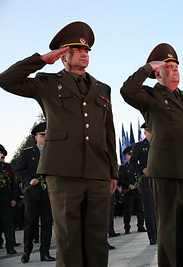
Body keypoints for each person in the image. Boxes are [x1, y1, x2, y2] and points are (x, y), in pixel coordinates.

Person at [0, 21, 118, 267]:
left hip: (98, 170)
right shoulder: (47, 82)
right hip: (63, 171)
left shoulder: (102, 88)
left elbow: (108, 133)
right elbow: (6, 80)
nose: (84, 53)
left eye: (86, 50)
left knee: (97, 238)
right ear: (64, 55)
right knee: (69, 238)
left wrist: (113, 171)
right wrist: (42, 59)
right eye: (77, 50)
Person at [120, 43, 183, 267]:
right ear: (156, 73)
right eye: (167, 66)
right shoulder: (150, 96)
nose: (174, 68)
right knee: (169, 231)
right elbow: (127, 91)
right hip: (166, 172)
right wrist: (147, 67)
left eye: (176, 65)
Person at [14, 122, 55, 263]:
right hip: (32, 193)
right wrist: (28, 180)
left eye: (46, 135)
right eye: (42, 136)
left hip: (48, 193)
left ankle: (45, 252)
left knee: (46, 224)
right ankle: (27, 251)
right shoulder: (27, 152)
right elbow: (18, 170)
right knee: (30, 222)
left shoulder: (52, 152)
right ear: (36, 137)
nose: (44, 138)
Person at [131, 123, 157, 245]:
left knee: (160, 209)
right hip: (146, 182)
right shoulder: (139, 146)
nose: (150, 133)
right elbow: (133, 162)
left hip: (159, 181)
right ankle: (152, 235)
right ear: (145, 132)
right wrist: (142, 169)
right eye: (148, 131)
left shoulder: (159, 144)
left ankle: (160, 233)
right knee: (149, 209)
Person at [118, 146, 146, 234]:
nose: (131, 156)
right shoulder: (123, 167)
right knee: (128, 210)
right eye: (129, 154)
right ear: (126, 156)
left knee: (140, 209)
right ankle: (127, 227)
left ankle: (141, 226)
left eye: (132, 154)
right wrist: (129, 185)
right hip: (129, 192)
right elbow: (121, 179)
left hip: (138, 191)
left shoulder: (138, 166)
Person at [0, 144, 17, 255]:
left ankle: (10, 247)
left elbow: (13, 184)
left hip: (5, 200)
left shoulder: (7, 167)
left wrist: (14, 198)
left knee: (8, 224)